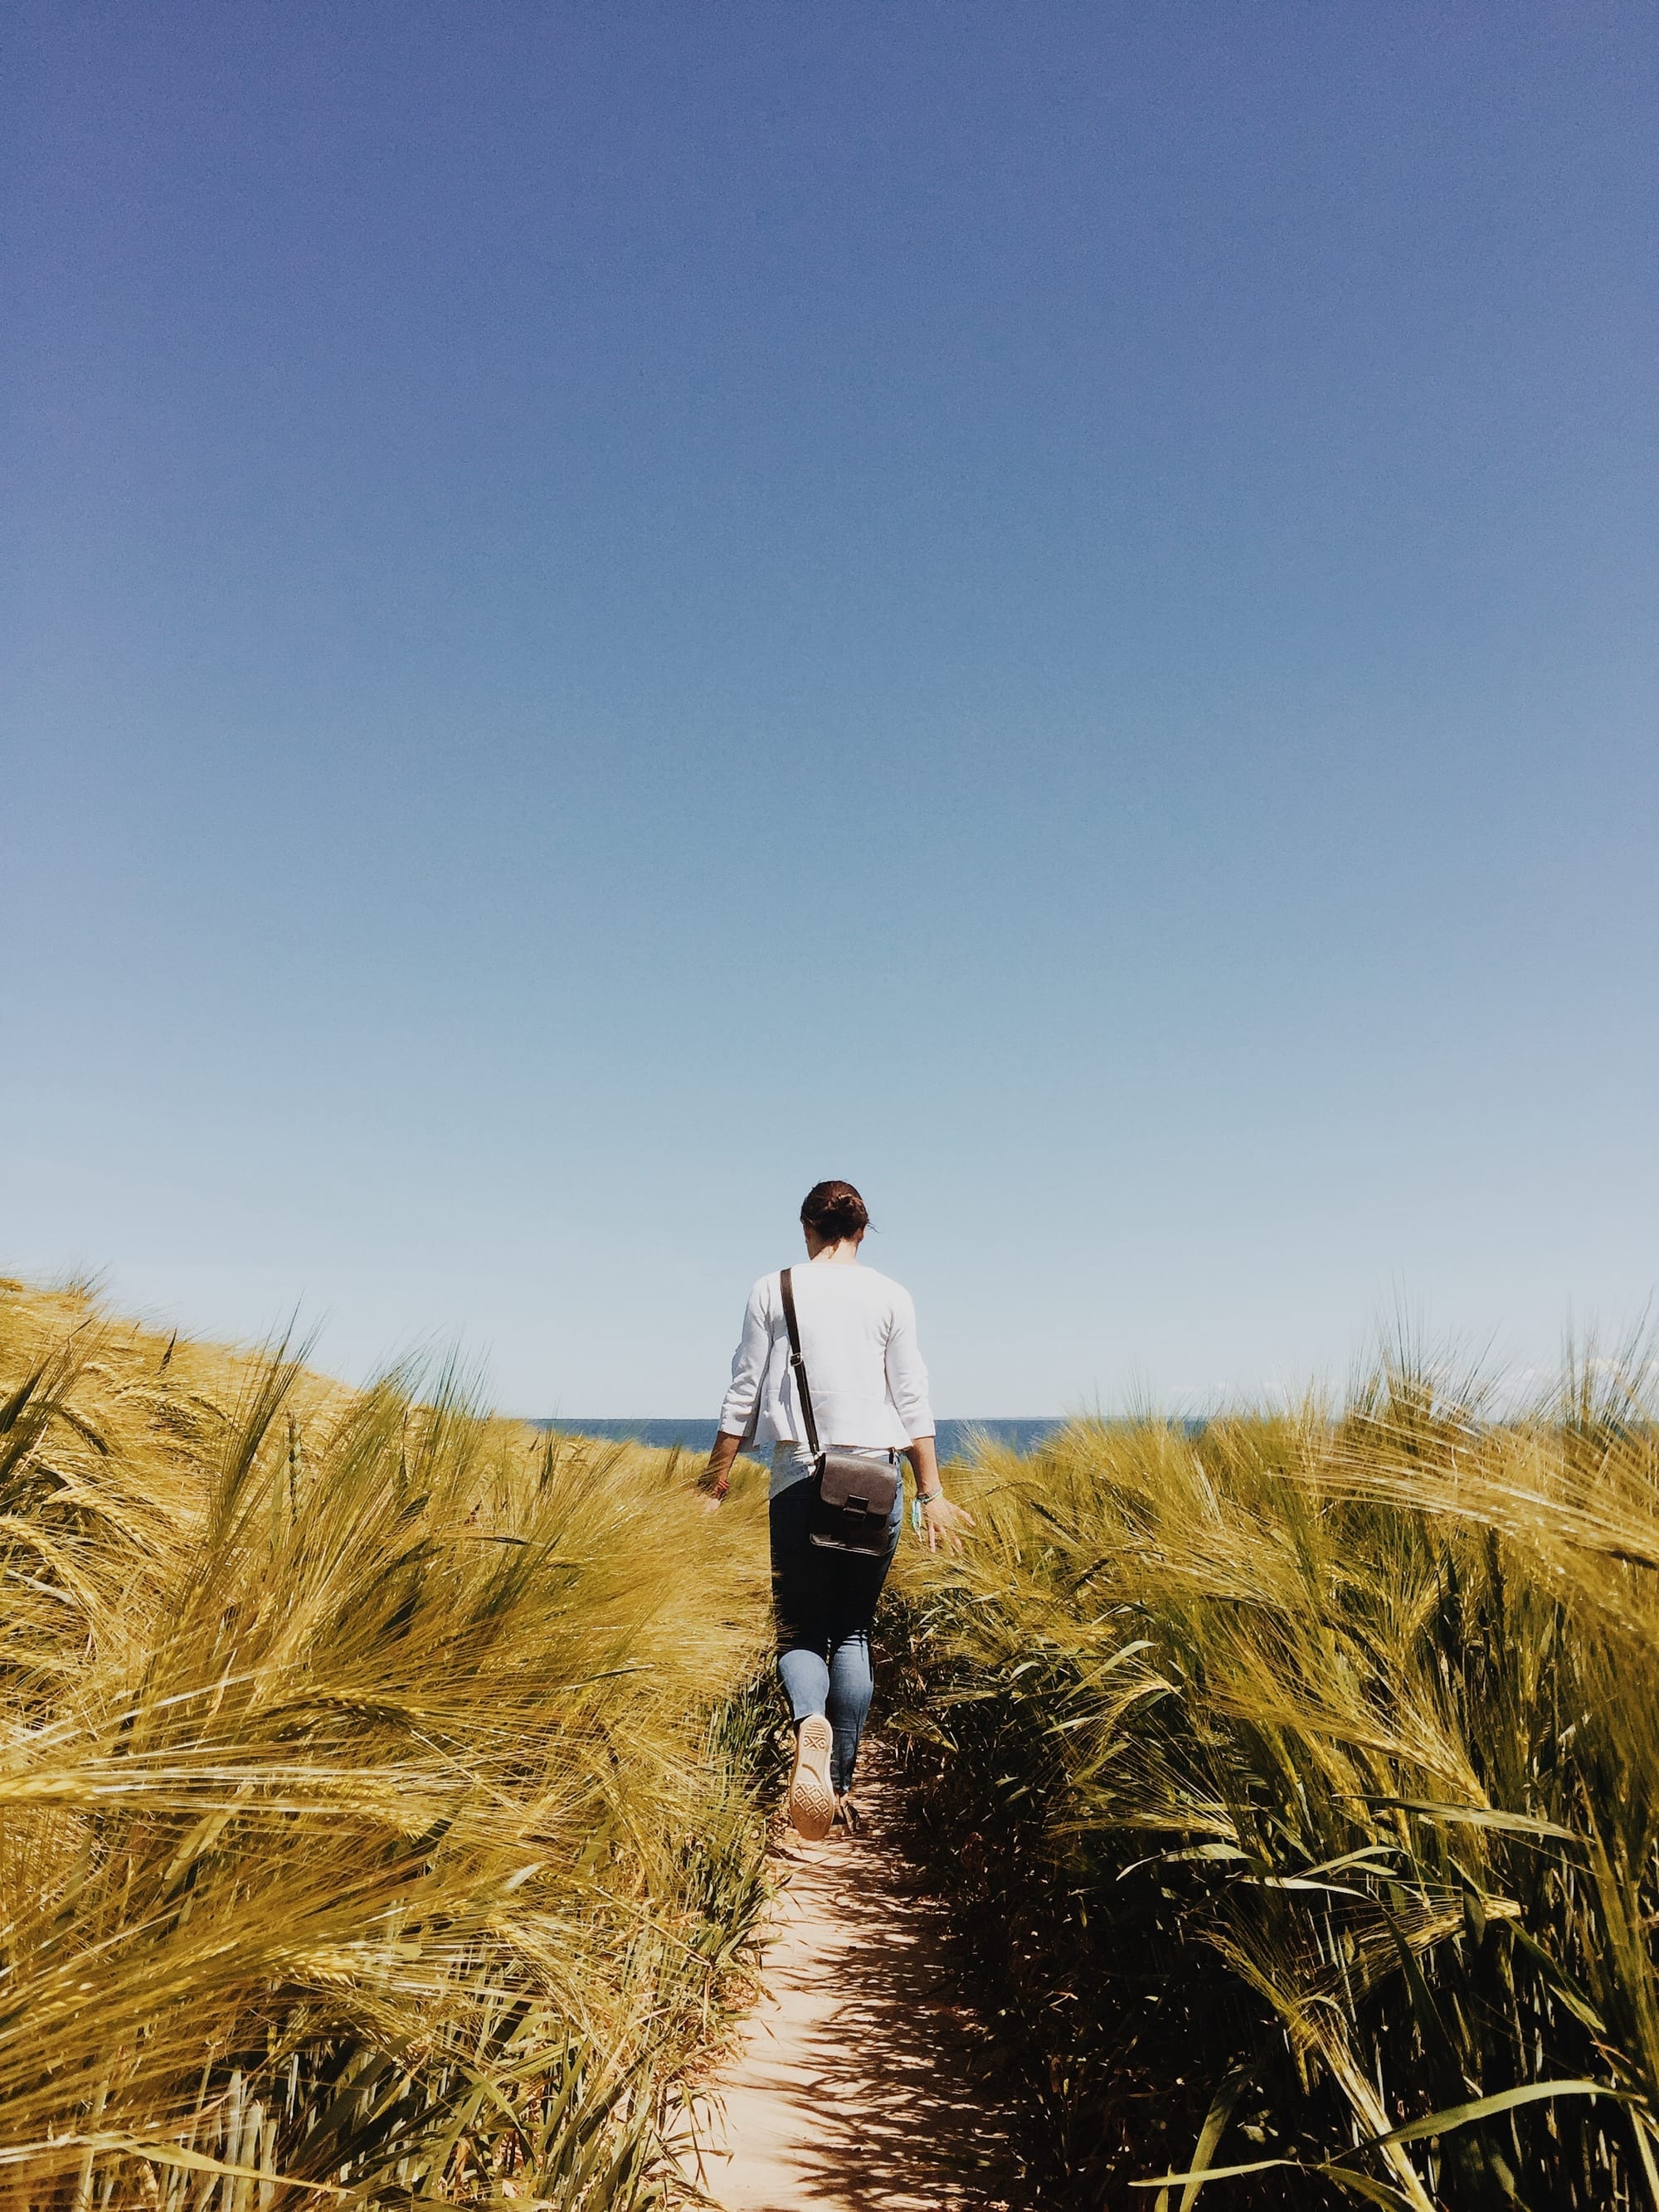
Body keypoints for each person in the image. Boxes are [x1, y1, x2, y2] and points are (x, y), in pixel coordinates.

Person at [702, 1180, 973, 1840]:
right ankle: (843, 1786)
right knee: (852, 1632)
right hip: (876, 1480)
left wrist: (714, 1481)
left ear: (806, 1228)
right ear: (860, 1230)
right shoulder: (892, 1295)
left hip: (799, 1477)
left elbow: (744, 1390)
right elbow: (913, 1398)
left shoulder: (774, 1288)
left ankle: (808, 1725)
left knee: (799, 1632)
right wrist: (932, 1492)